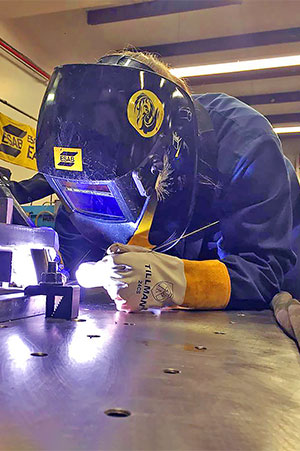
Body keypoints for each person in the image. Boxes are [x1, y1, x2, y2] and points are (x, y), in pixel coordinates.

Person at [11, 50, 300, 312]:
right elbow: (72, 270)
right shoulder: (83, 180)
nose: (93, 198)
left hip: (270, 254)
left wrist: (178, 281)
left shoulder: (244, 144)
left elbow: (263, 269)